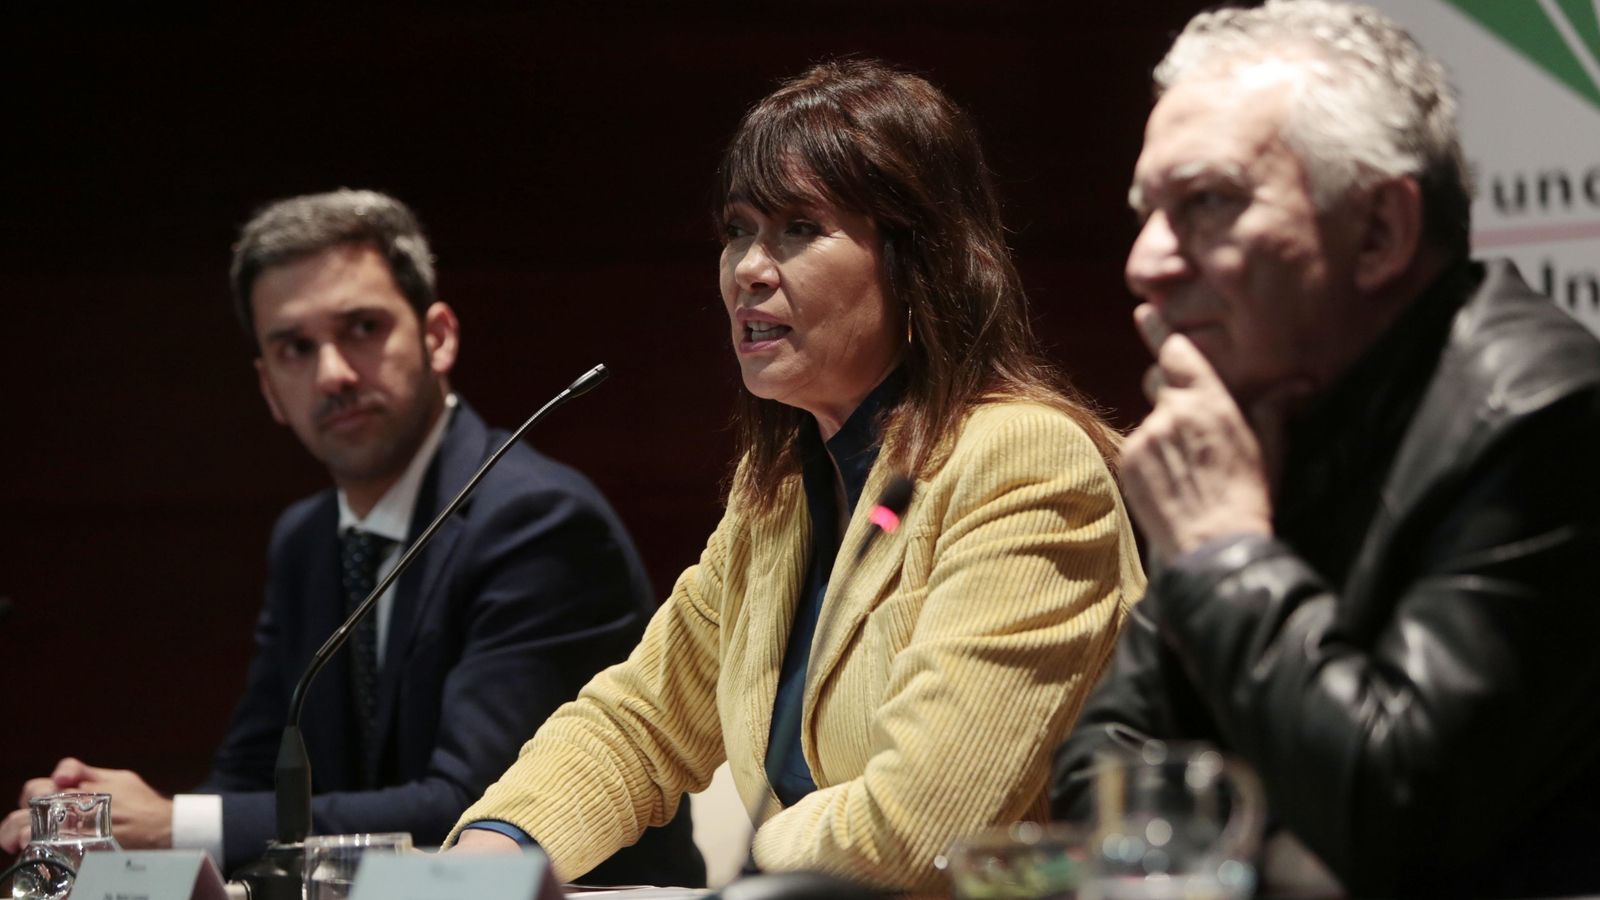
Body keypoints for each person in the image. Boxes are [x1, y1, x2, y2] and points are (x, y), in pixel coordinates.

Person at [444, 59, 1145, 891]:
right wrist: (485, 863)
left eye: (799, 229)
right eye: (738, 229)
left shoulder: (1021, 465)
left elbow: (920, 827)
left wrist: (741, 878)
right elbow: (640, 720)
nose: (747, 267)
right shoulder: (776, 490)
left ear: (916, 261)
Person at [1048, 3, 1600, 896]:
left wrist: (1226, 551)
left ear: (1379, 232)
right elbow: (1099, 784)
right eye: (1149, 210)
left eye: (1209, 203)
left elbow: (1396, 818)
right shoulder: (1261, 411)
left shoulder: (1544, 417)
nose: (1145, 263)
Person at [0, 189, 703, 886]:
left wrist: (173, 824)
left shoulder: (537, 520)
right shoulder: (305, 540)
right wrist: (113, 831)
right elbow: (253, 773)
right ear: (270, 389)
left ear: (438, 338)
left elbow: (476, 810)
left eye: (362, 328)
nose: (332, 373)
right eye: (295, 348)